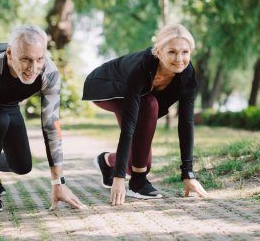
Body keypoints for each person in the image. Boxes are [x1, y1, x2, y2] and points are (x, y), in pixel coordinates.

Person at [0, 25, 85, 222]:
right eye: (25, 59)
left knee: (22, 165)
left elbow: (52, 126)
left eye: (39, 59)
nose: (33, 68)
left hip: (6, 101)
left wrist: (58, 182)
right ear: (10, 54)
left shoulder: (49, 73)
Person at [82, 23, 209, 206]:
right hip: (104, 86)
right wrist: (119, 178)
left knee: (141, 162)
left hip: (139, 97)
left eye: (185, 52)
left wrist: (188, 174)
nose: (179, 58)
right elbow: (129, 128)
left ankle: (107, 160)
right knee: (149, 104)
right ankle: (137, 182)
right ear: (158, 51)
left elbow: (186, 123)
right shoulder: (143, 67)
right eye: (172, 52)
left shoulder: (187, 75)